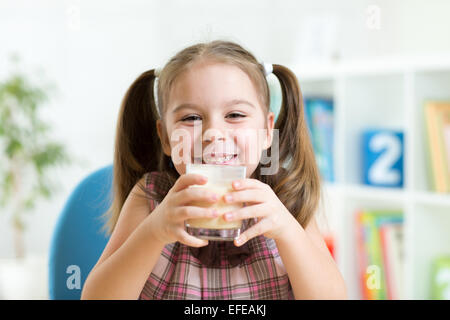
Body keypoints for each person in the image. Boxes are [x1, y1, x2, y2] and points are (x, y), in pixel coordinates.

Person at [81, 40, 347, 300]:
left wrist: (288, 231)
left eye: (235, 115)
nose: (213, 134)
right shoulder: (151, 198)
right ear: (165, 138)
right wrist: (154, 231)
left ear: (267, 131)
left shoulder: (284, 198)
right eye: (191, 118)